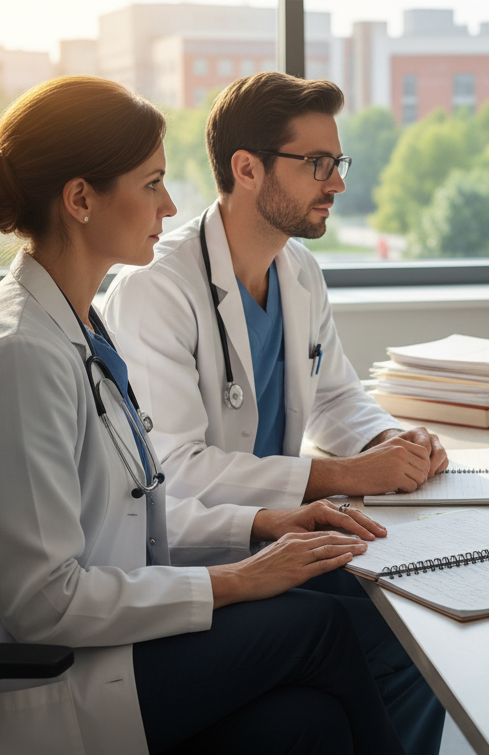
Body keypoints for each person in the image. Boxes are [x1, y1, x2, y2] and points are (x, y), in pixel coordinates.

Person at [0, 76, 425, 755]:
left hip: (98, 644)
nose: (170, 205)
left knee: (309, 724)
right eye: (150, 184)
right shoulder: (19, 356)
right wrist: (240, 578)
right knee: (320, 628)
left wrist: (262, 528)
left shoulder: (76, 325)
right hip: (12, 690)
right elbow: (43, 603)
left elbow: (140, 507)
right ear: (81, 199)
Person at [103, 72, 448, 518]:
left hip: (293, 531)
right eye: (317, 163)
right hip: (211, 558)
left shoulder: (299, 269)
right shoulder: (156, 289)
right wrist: (347, 474)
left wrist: (391, 441)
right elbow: (176, 470)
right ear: (247, 169)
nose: (336, 185)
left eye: (338, 163)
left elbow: (333, 397)